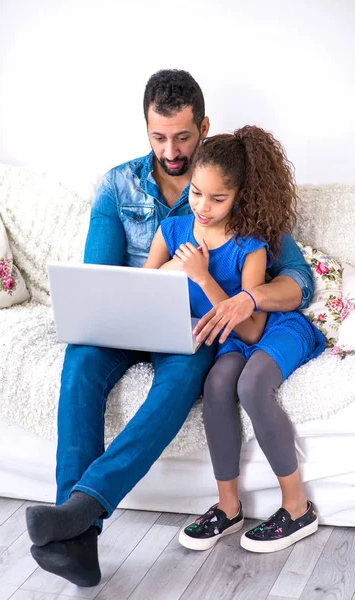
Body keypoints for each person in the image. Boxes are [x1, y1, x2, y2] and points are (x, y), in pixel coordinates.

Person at [25, 70, 315, 587]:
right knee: (80, 363)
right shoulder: (118, 184)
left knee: (188, 371)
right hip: (129, 315)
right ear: (145, 130)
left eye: (183, 137)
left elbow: (297, 278)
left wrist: (244, 296)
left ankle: (80, 511)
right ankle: (77, 532)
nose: (172, 150)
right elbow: (103, 278)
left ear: (203, 127)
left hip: (191, 326)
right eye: (159, 137)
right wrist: (152, 282)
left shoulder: (231, 187)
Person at [144, 126, 325, 554]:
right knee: (217, 385)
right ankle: (228, 507)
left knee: (250, 384)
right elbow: (143, 290)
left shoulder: (251, 243)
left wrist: (203, 277)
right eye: (195, 193)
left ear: (240, 196)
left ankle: (298, 508)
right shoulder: (172, 232)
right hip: (227, 338)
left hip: (275, 327)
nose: (202, 208)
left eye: (217, 198)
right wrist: (176, 271)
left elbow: (252, 328)